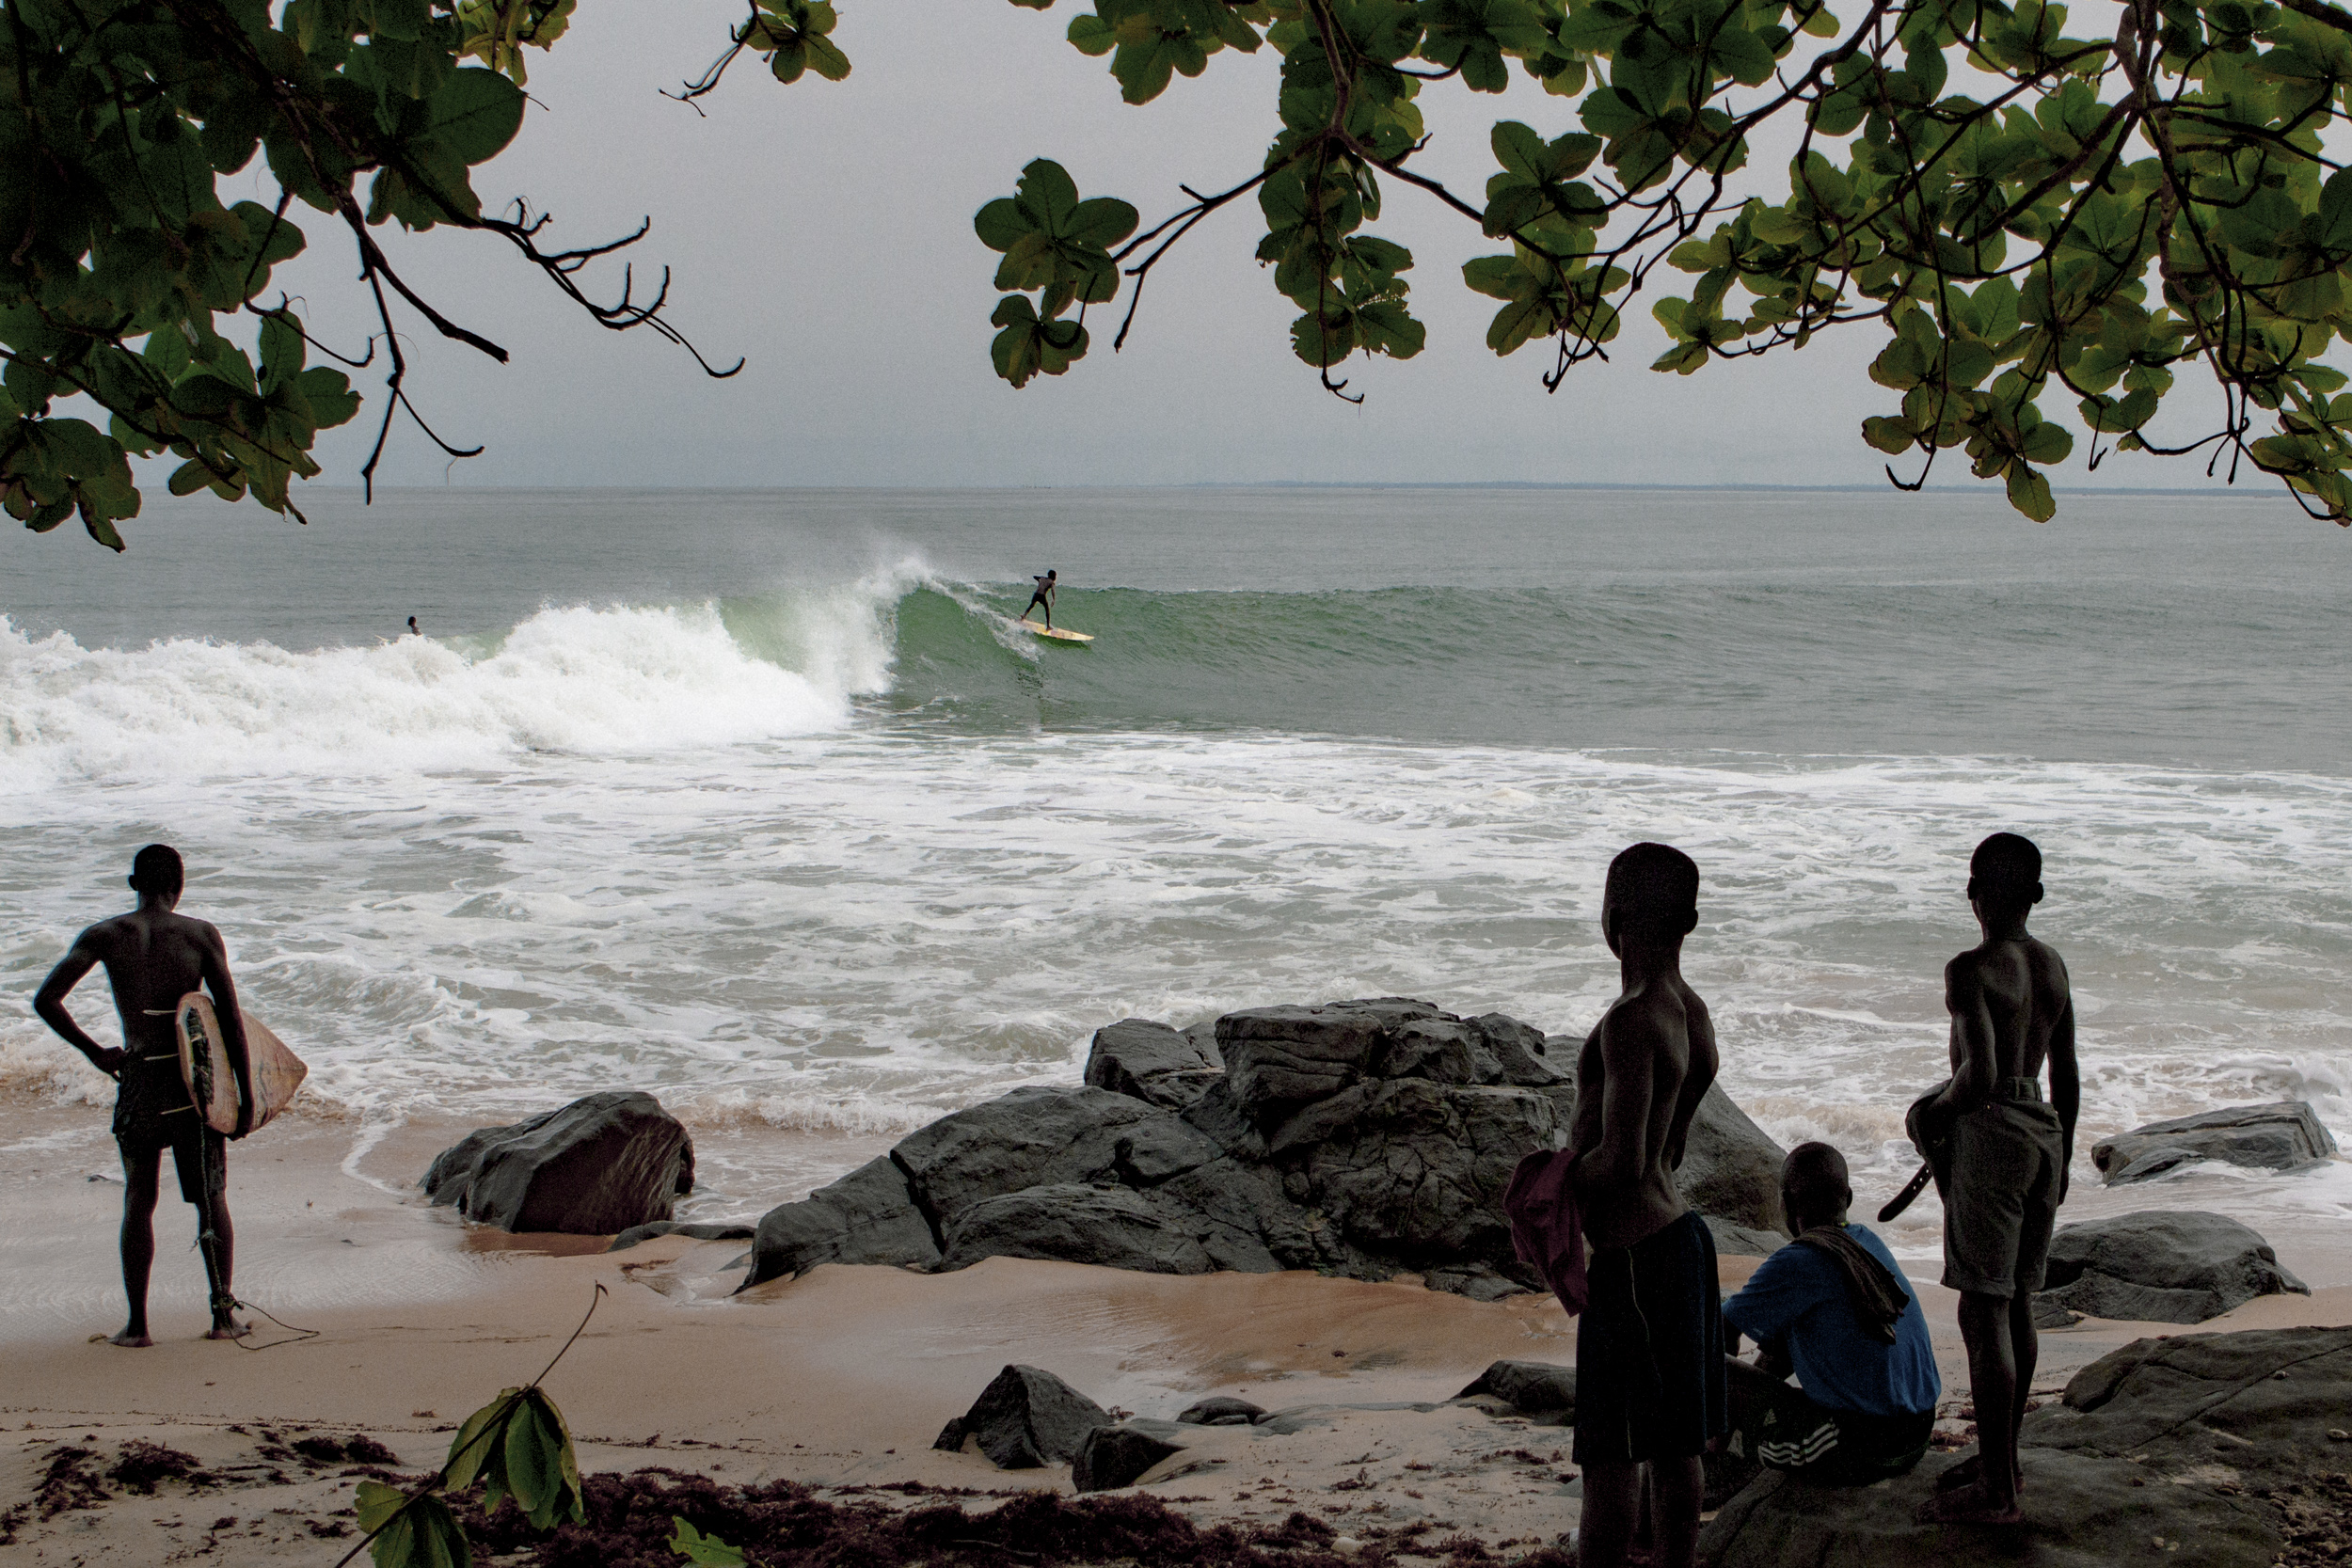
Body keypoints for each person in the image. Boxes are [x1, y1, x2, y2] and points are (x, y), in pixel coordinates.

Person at [1911, 832, 2076, 1526]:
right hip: (2043, 1129)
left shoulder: (1970, 969)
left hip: (1994, 1131)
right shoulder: (2053, 965)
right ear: (2035, 895)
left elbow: (1976, 1075)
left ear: (1973, 892)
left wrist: (1930, 1113)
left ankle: (1997, 1492)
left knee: (1983, 1310)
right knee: (2019, 1302)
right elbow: (2067, 1073)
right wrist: (2064, 1155)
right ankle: (2002, 1462)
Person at [1566, 842, 1724, 1568]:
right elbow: (1671, 1151)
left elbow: (1624, 1162)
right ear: (1689, 920)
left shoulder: (1631, 1018)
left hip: (1633, 1259)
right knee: (1675, 1443)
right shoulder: (1693, 1013)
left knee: (1610, 1454)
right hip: (1682, 1243)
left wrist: (1554, 1181)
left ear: (1614, 917)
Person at [34, 845, 253, 1346]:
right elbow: (231, 1022)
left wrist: (96, 1053)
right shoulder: (200, 935)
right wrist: (243, 1098)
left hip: (139, 1085)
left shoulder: (105, 935)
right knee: (211, 1198)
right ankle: (223, 1318)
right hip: (192, 1089)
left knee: (139, 1199)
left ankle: (137, 1327)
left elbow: (46, 1000)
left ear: (134, 883)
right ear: (180, 884)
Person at [1720, 1143, 1940, 1485]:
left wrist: (1732, 1404)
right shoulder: (1867, 1241)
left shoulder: (1798, 1259)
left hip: (1864, 1447)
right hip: (1918, 1432)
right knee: (1789, 1330)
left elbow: (1716, 1332)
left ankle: (1720, 1458)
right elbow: (1779, 1348)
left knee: (1698, 1365)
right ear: (1848, 1199)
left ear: (1786, 1203)